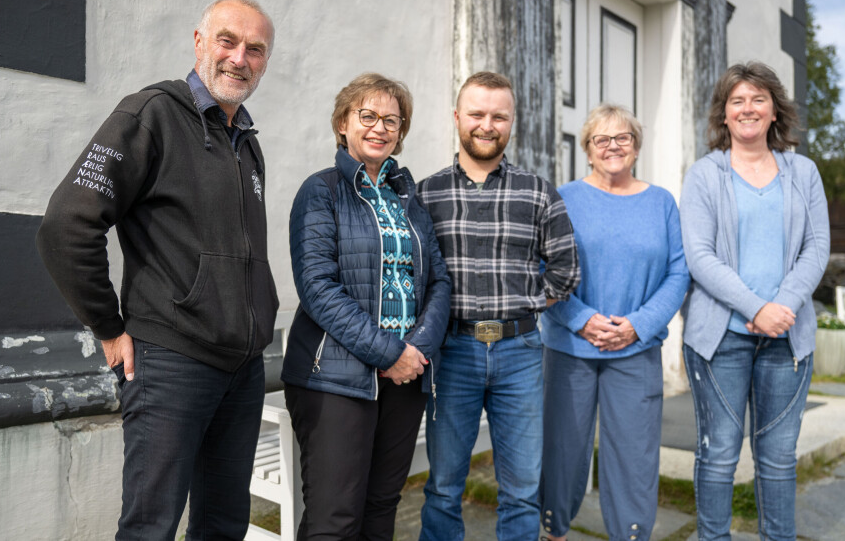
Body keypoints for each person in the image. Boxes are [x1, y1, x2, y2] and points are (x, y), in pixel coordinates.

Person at [35, 0, 277, 539]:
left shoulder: (246, 143)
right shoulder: (151, 116)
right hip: (170, 365)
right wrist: (107, 326)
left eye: (255, 49)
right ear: (198, 42)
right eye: (227, 41)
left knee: (223, 525)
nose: (240, 58)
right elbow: (66, 226)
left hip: (242, 370)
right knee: (150, 527)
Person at [282, 72, 451, 540]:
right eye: (368, 116)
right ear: (343, 123)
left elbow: (438, 281)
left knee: (381, 508)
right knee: (334, 518)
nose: (380, 128)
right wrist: (389, 354)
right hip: (336, 378)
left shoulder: (408, 200)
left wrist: (416, 350)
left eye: (391, 121)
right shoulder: (321, 191)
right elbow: (317, 288)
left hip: (405, 378)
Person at [417, 71, 580, 541]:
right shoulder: (426, 194)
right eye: (477, 114)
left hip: (520, 351)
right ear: (457, 118)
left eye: (498, 116)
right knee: (444, 485)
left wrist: (526, 304)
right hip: (453, 352)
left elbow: (566, 270)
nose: (487, 125)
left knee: (522, 489)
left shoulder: (539, 192)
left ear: (511, 122)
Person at [680, 61, 830, 540]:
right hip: (720, 339)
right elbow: (699, 256)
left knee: (779, 459)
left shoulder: (803, 172)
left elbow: (817, 246)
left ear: (774, 111)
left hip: (788, 338)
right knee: (719, 454)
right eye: (737, 100)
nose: (748, 108)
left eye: (758, 99)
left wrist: (781, 305)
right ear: (724, 115)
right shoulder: (704, 175)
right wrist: (755, 308)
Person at [539, 104, 689, 541]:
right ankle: (554, 531)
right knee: (563, 452)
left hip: (636, 350)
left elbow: (677, 273)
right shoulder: (562, 198)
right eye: (601, 139)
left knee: (634, 456)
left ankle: (633, 534)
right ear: (586, 149)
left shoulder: (661, 202)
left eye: (623, 137)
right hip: (569, 348)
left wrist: (638, 325)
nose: (613, 146)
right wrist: (581, 320)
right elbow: (543, 267)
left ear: (636, 147)